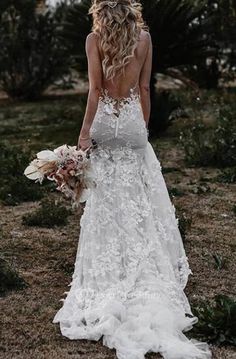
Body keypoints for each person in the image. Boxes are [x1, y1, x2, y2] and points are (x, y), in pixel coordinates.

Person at [53, 1, 212, 358]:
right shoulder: (144, 39)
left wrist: (83, 136)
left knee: (106, 199)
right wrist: (141, 127)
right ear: (129, 10)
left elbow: (95, 90)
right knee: (139, 198)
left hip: (106, 121)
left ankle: (111, 271)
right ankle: (144, 266)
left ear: (101, 11)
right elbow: (144, 89)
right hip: (132, 123)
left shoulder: (94, 40)